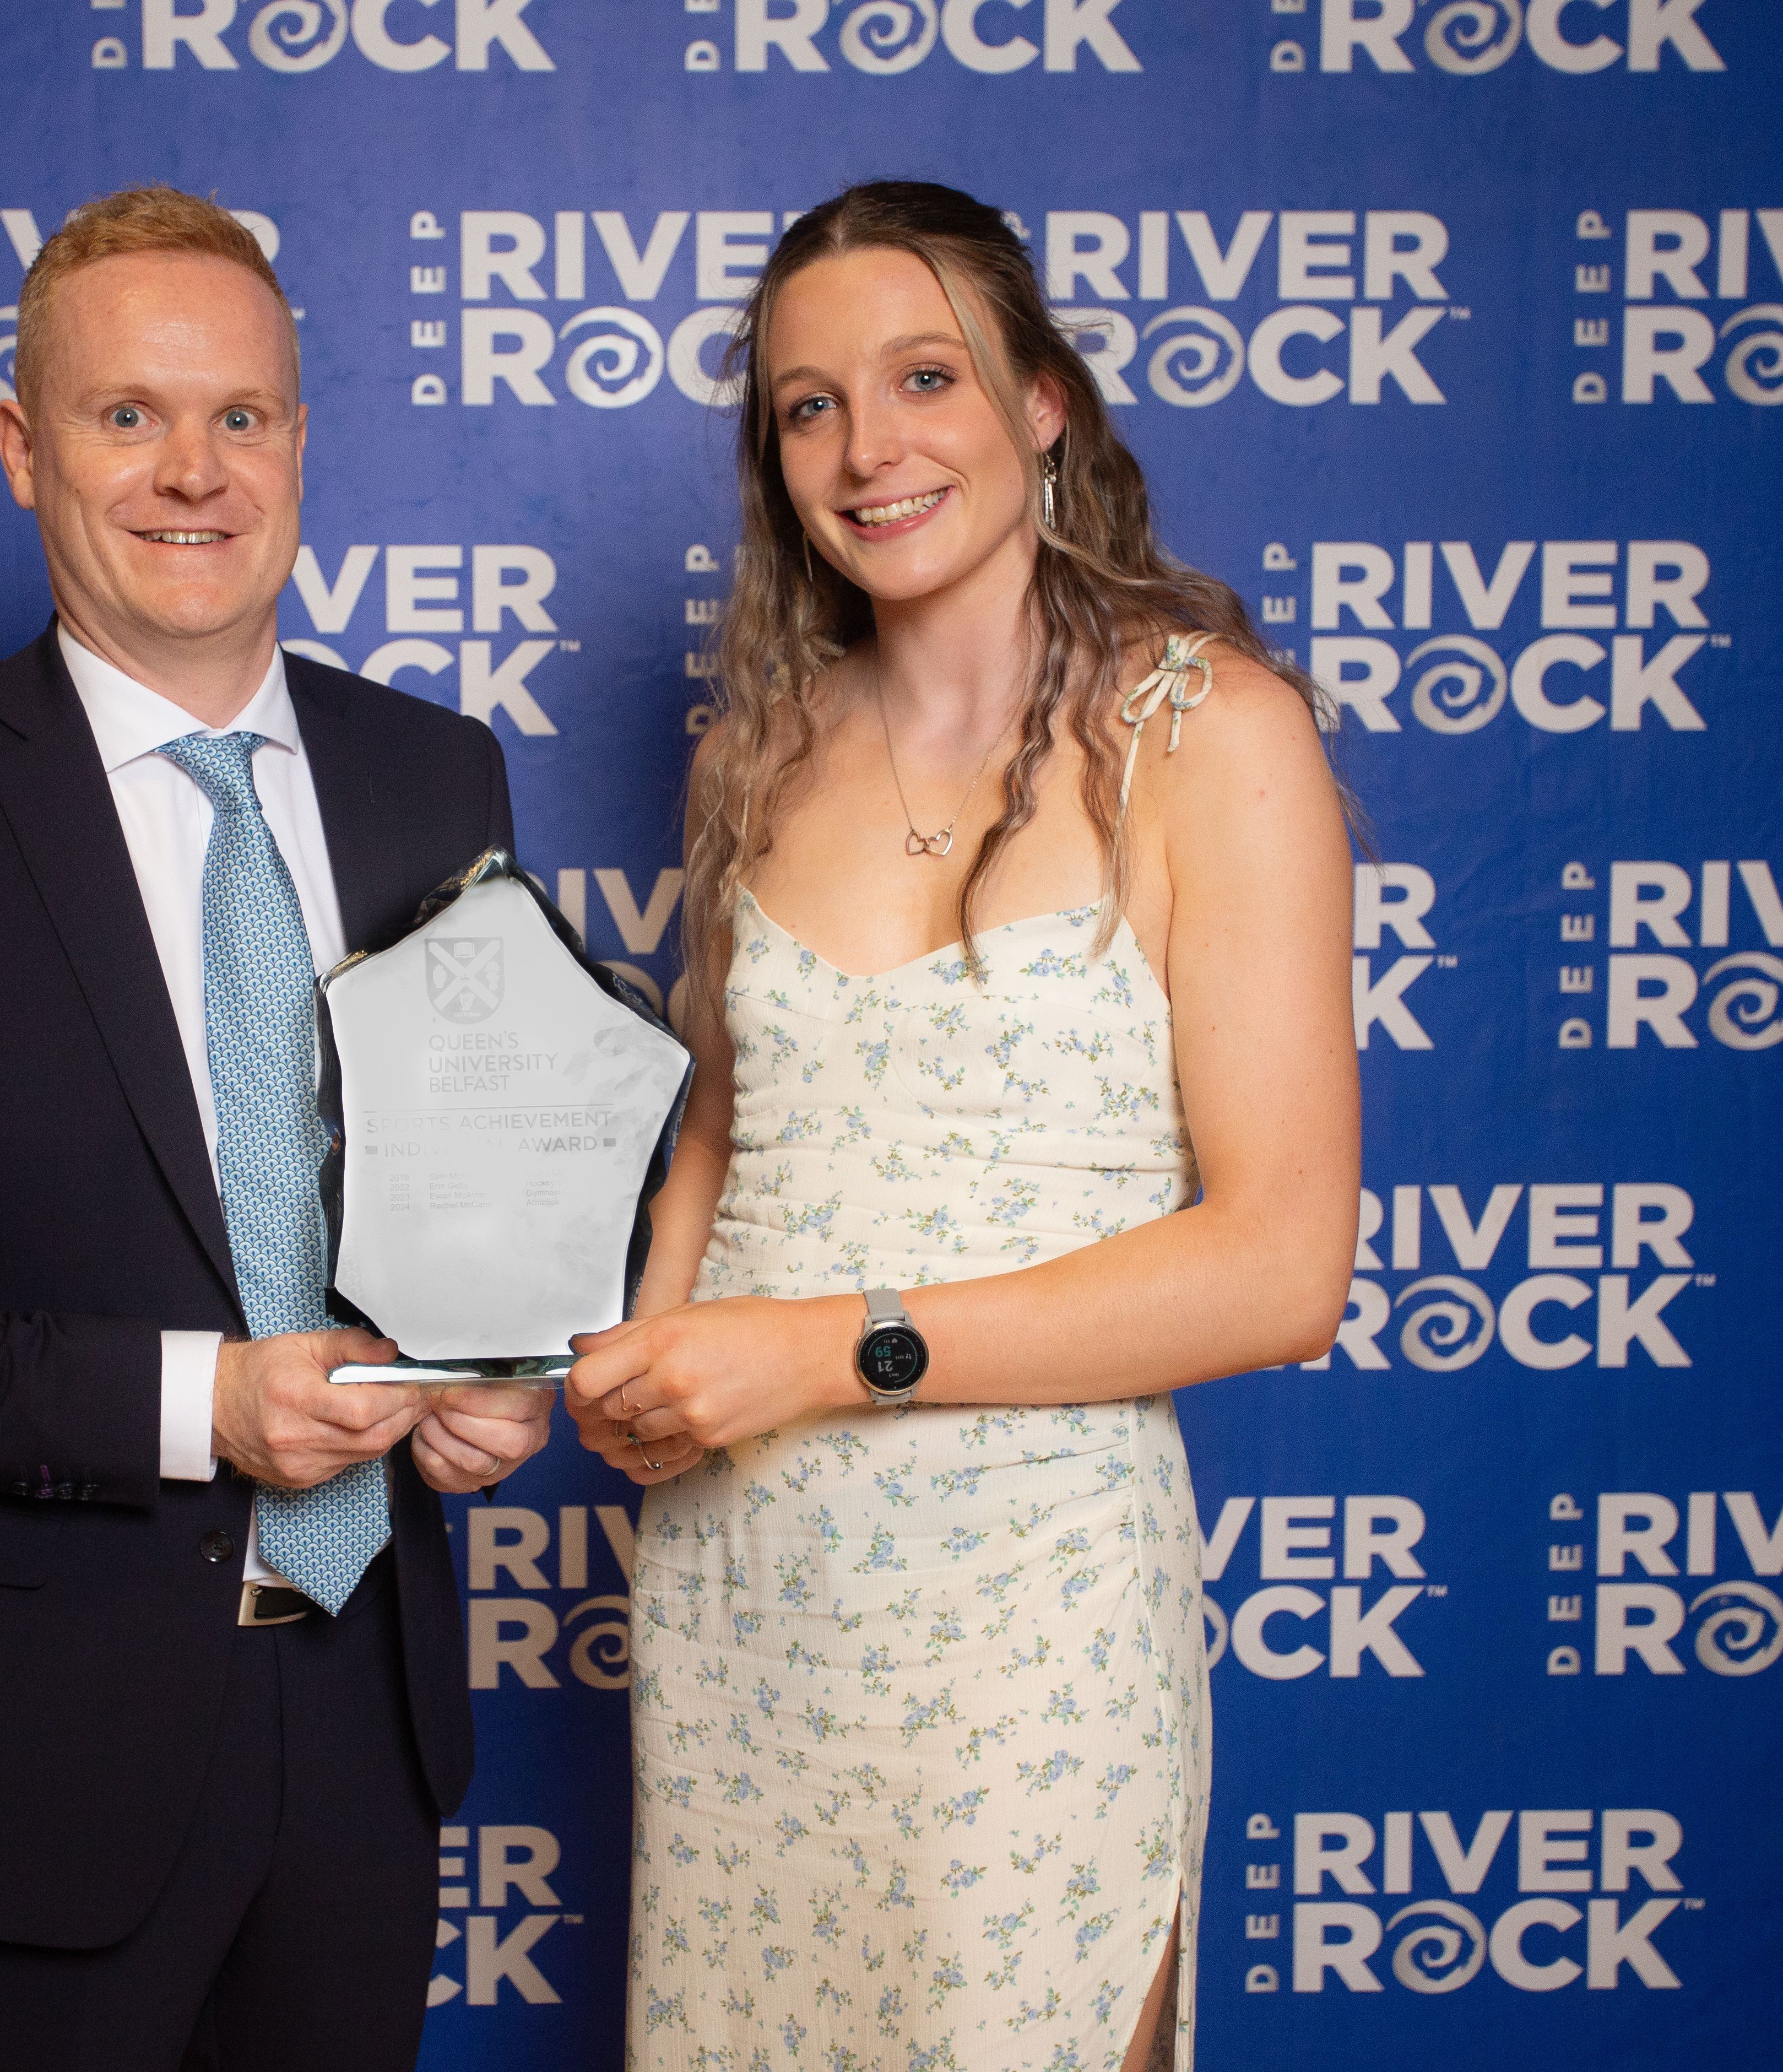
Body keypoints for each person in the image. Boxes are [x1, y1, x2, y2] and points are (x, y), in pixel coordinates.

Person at [0, 185, 552, 2071]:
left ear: (300, 442)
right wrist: (198, 1404)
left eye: (240, 416)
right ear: (20, 447)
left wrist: (493, 1377)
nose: (192, 472)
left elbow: (473, 1187)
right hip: (27, 1757)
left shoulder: (433, 772)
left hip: (367, 1716)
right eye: (124, 415)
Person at [566, 181, 1361, 2072]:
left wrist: (825, 1351)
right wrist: (636, 1353)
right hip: (748, 1602)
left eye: (924, 376)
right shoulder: (754, 750)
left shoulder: (1212, 734)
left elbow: (1280, 1266)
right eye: (807, 405)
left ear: (1042, 407)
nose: (868, 445)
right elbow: (726, 1134)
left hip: (1033, 1620)